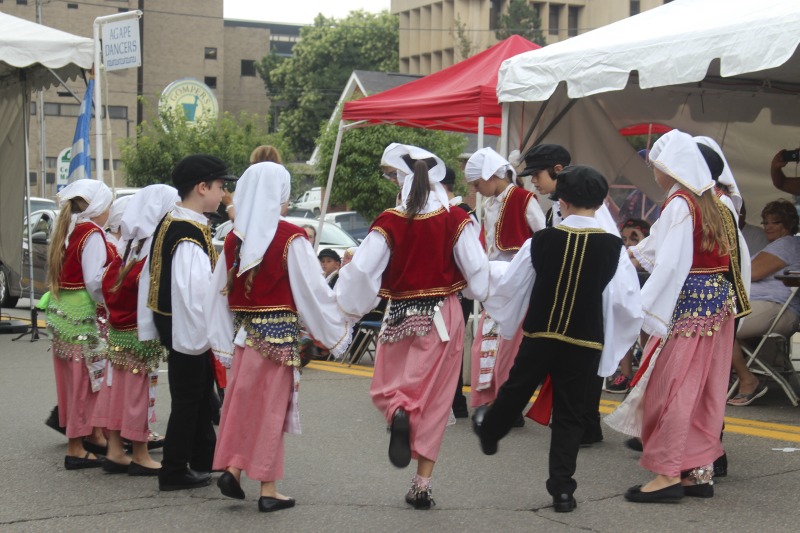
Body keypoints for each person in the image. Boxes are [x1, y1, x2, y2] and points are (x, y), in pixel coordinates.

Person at [472, 165, 642, 513]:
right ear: (599, 203)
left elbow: (513, 285)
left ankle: (491, 430)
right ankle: (563, 491)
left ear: (561, 201)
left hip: (541, 335)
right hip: (584, 342)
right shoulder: (613, 247)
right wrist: (610, 341)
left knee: (516, 389)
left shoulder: (542, 240)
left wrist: (506, 320)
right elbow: (623, 300)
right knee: (570, 417)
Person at [335, 144, 489, 510]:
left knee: (390, 384)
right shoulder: (456, 219)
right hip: (443, 316)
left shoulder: (388, 220)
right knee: (435, 400)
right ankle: (421, 485)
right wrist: (474, 291)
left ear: (402, 180)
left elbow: (361, 271)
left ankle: (398, 411)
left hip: (399, 314)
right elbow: (477, 272)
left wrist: (348, 309)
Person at [605, 129, 750, 503]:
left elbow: (670, 265)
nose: (653, 171)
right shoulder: (717, 202)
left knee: (671, 389)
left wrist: (642, 307)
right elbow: (733, 260)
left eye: (656, 165)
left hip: (688, 309)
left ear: (670, 166)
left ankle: (668, 473)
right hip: (719, 308)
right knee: (703, 390)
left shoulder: (680, 204)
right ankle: (698, 473)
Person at [206, 162, 352, 513]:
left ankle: (234, 468)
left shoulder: (233, 237)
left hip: (246, 338)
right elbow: (313, 291)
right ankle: (268, 488)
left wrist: (222, 339)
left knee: (241, 406)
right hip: (279, 342)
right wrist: (337, 327)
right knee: (271, 410)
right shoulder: (290, 237)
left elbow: (216, 295)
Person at [139, 154, 237, 491]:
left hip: (179, 328)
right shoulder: (187, 234)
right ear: (202, 187)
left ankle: (202, 456)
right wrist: (207, 336)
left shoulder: (177, 221)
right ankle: (174, 469)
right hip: (187, 330)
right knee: (189, 399)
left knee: (195, 396)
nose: (223, 194)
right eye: (221, 187)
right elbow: (192, 294)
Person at [517, 144, 620, 446]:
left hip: (588, 303)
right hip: (568, 303)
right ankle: (580, 424)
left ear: (558, 172)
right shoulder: (556, 213)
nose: (533, 181)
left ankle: (585, 425)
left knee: (583, 371)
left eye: (537, 174)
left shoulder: (593, 218)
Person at [92, 185, 179, 476]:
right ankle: (140, 453)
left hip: (119, 332)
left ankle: (116, 449)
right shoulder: (152, 248)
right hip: (138, 334)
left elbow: (106, 285)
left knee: (119, 393)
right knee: (139, 395)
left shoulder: (129, 245)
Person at [464, 147, 545, 421]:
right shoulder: (490, 205)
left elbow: (543, 237)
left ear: (491, 175)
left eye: (477, 184)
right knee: (484, 344)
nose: (476, 189)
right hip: (496, 286)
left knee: (510, 346)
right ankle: (490, 399)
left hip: (520, 284)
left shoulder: (524, 199)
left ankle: (506, 405)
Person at [43, 179, 113, 470]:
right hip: (84, 316)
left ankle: (93, 435)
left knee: (73, 382)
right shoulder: (92, 233)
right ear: (98, 206)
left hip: (63, 314)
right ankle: (75, 447)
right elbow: (95, 282)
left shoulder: (70, 228)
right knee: (87, 381)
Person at [728, 199, 800, 406]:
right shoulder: (778, 245)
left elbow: (753, 273)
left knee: (721, 321)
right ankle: (732, 376)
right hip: (763, 306)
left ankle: (747, 379)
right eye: (765, 222)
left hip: (777, 308)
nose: (767, 226)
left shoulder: (787, 244)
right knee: (713, 317)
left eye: (774, 222)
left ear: (787, 224)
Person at [605, 218, 652, 394]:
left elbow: (634, 263)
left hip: (647, 306)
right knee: (620, 320)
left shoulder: (646, 257)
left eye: (634, 239)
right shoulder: (621, 257)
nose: (628, 244)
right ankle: (626, 374)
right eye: (624, 239)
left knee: (646, 324)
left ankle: (644, 372)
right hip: (626, 306)